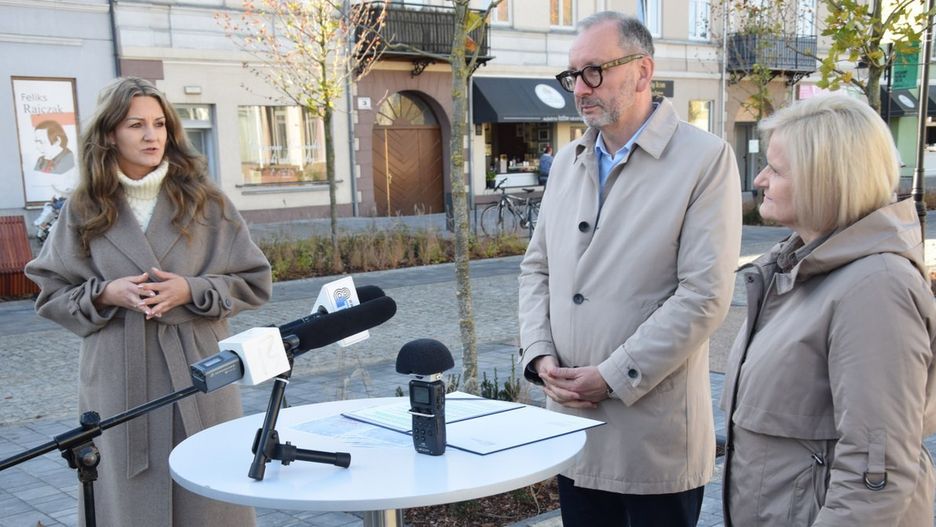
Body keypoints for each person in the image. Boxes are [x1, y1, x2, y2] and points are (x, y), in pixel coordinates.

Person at [518, 11, 741, 527]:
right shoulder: (568, 161)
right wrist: (539, 354)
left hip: (652, 437)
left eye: (593, 70)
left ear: (643, 72)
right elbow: (537, 270)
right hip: (572, 430)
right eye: (572, 74)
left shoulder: (704, 160)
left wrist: (614, 376)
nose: (579, 87)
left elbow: (704, 295)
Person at [25, 77, 272, 527]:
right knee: (130, 501)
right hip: (120, 378)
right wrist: (104, 293)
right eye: (136, 124)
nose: (151, 135)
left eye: (159, 124)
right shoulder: (84, 207)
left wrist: (190, 290)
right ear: (109, 134)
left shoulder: (206, 202)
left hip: (199, 373)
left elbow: (254, 280)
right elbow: (50, 292)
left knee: (209, 496)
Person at [720, 94, 936, 525]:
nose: (760, 178)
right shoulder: (797, 269)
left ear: (826, 180)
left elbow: (876, 475)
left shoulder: (876, 289)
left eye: (776, 169)